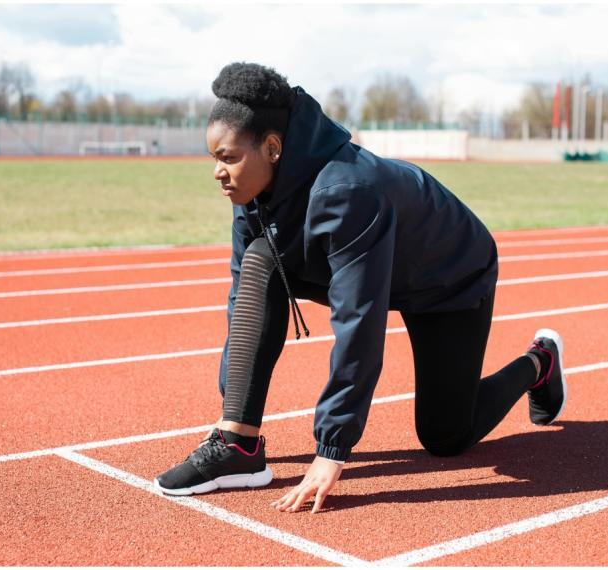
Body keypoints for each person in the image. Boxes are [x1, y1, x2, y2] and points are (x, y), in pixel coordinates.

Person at [153, 63, 567, 514]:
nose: (217, 170)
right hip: (376, 259)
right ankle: (239, 446)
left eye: (228, 157)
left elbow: (359, 320)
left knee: (446, 436)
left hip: (447, 273)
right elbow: (244, 297)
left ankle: (539, 362)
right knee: (261, 262)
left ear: (272, 148)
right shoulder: (251, 193)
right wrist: (234, 405)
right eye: (214, 157)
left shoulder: (348, 191)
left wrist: (332, 447)